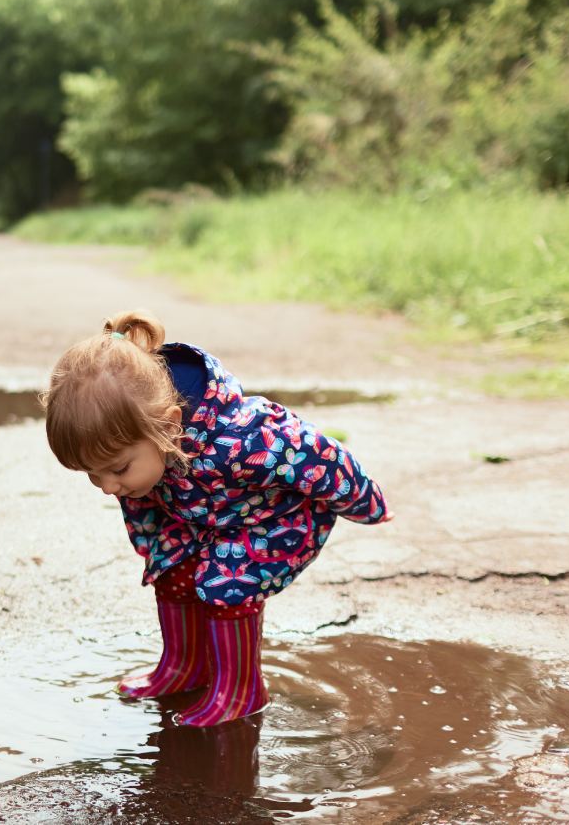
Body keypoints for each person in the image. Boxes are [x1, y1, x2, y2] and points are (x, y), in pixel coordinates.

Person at [42, 310, 390, 728]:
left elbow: (322, 457)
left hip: (273, 521)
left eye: (117, 469)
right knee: (173, 570)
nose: (107, 486)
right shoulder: (140, 443)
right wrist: (157, 542)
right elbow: (151, 520)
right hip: (203, 521)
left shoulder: (244, 437)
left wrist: (366, 504)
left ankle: (241, 689)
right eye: (91, 474)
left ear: (168, 427)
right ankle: (184, 666)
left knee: (227, 582)